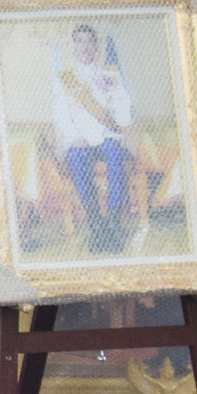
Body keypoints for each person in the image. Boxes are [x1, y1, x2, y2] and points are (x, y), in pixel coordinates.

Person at [50, 23, 135, 251]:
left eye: (90, 41)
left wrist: (118, 124)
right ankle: (96, 223)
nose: (85, 46)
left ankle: (114, 221)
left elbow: (123, 104)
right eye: (80, 41)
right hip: (79, 139)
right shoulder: (64, 78)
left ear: (96, 46)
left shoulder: (111, 73)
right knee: (76, 157)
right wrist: (74, 136)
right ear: (74, 46)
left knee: (114, 151)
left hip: (106, 135)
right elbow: (60, 113)